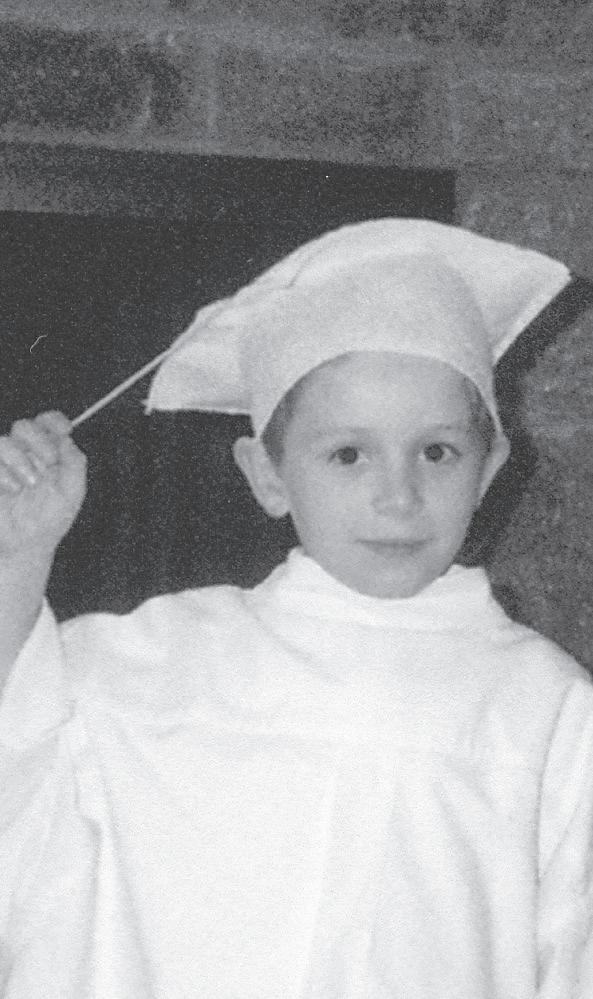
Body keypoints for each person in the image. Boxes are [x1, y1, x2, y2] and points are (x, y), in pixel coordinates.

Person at [0, 219, 592, 999]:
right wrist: (19, 555)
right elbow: (24, 756)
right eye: (347, 453)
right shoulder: (161, 661)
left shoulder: (543, 707)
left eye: (437, 451)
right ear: (268, 475)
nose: (398, 495)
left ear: (488, 471)